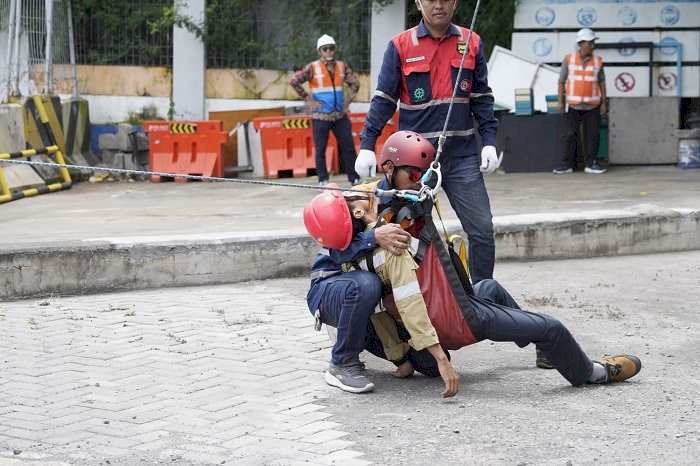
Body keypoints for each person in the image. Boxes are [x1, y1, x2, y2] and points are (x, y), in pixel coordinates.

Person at [306, 131, 642, 396]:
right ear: (389, 169)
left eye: (424, 176)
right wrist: (371, 237)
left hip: (428, 304)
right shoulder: (360, 199)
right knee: (368, 289)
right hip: (338, 288)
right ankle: (343, 362)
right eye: (412, 175)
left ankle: (544, 349)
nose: (419, 182)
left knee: (488, 290)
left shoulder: (413, 202)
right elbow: (333, 248)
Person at [355, 0, 500, 283]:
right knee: (405, 231)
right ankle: (415, 300)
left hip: (462, 159)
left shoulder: (471, 42)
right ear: (419, 3)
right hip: (413, 165)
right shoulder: (400, 46)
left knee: (482, 230)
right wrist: (367, 145)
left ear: (455, 3)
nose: (439, 5)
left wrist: (489, 141)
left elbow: (482, 99)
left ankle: (485, 298)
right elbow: (384, 100)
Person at [289, 34, 361, 186]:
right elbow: (294, 81)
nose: (328, 51)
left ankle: (354, 178)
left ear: (334, 50)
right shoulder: (312, 67)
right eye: (325, 49)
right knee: (320, 149)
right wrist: (309, 100)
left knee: (348, 147)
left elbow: (355, 83)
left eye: (331, 48)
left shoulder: (342, 66)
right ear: (320, 51)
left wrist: (347, 102)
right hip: (320, 116)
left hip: (339, 115)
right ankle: (323, 180)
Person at [553, 28, 608, 175]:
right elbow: (561, 81)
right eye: (589, 43)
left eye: (592, 43)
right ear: (581, 44)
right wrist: (560, 102)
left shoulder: (598, 61)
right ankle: (567, 165)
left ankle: (591, 164)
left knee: (593, 136)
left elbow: (602, 83)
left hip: (593, 106)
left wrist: (604, 103)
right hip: (574, 105)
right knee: (570, 135)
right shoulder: (568, 59)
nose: (592, 45)